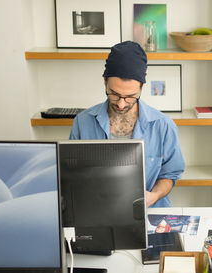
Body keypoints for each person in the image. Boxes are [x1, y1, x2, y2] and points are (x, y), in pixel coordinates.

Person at [69, 41, 185, 208]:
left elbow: (170, 174)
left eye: (130, 96)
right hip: (97, 210)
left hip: (149, 213)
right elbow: (72, 173)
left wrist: (154, 196)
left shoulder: (163, 125)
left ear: (142, 87)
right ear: (105, 82)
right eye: (114, 94)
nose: (121, 104)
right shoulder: (82, 122)